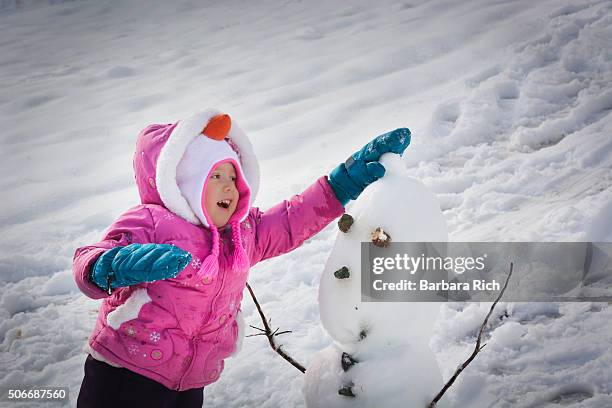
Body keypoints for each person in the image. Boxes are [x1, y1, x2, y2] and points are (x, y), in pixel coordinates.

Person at [73, 109, 410, 407]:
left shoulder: (242, 233)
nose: (229, 187)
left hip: (191, 382)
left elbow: (294, 219)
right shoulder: (151, 221)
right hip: (125, 373)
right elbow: (90, 259)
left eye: (233, 176)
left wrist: (344, 181)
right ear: (183, 183)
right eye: (215, 176)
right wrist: (113, 267)